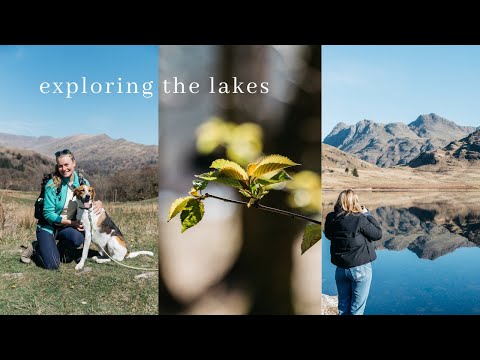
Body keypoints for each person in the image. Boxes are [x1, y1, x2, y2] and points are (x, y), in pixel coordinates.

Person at [20, 149, 102, 270]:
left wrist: (98, 202)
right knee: (53, 265)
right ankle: (36, 248)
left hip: (65, 228)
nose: (64, 169)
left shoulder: (82, 183)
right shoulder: (52, 185)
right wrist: (72, 223)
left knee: (77, 239)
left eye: (66, 164)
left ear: (74, 162)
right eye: (60, 166)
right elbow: (48, 215)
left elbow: (88, 200)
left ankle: (58, 249)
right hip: (48, 226)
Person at [324, 189, 382, 315]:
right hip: (360, 269)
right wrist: (368, 214)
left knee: (343, 307)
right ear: (355, 202)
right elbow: (377, 234)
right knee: (357, 309)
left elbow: (329, 235)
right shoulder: (360, 218)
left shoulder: (330, 218)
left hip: (340, 269)